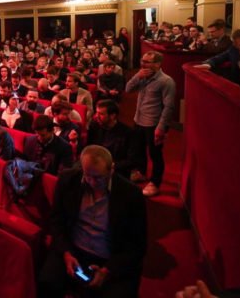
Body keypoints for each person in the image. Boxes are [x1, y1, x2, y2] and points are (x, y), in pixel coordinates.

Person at [41, 145, 147, 298]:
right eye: (88, 176)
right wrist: (66, 253)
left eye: (99, 178)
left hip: (109, 257)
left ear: (111, 170)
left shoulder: (131, 194)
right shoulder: (68, 180)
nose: (92, 182)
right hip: (73, 249)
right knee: (47, 282)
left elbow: (137, 245)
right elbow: (56, 220)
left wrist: (107, 270)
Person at [125, 51, 176, 197]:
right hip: (138, 120)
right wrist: (137, 76)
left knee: (155, 154)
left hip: (154, 123)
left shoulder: (166, 81)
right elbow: (128, 89)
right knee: (138, 150)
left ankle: (155, 182)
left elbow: (169, 107)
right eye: (142, 61)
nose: (143, 64)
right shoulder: (142, 76)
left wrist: (161, 128)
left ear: (158, 64)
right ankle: (141, 172)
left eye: (147, 62)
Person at [87, 100, 136, 178]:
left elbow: (131, 161)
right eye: (96, 113)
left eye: (101, 114)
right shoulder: (94, 126)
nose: (96, 116)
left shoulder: (128, 133)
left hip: (116, 171)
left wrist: (110, 166)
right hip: (95, 167)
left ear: (112, 116)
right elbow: (88, 147)